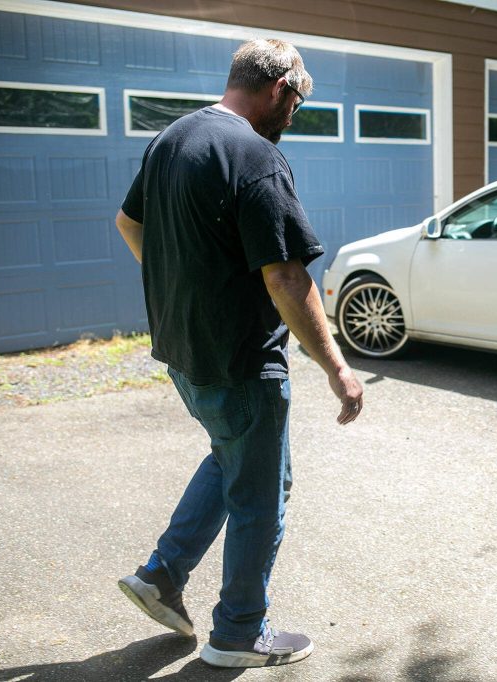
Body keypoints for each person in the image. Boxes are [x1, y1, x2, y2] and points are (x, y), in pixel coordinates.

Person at [113, 38, 363, 669]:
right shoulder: (255, 157)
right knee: (261, 492)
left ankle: (162, 575)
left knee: (232, 460)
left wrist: (186, 286)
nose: (294, 117)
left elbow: (128, 223)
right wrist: (337, 368)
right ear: (278, 86)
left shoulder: (173, 139)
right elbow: (286, 278)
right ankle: (238, 633)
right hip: (241, 361)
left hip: (184, 353)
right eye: (297, 104)